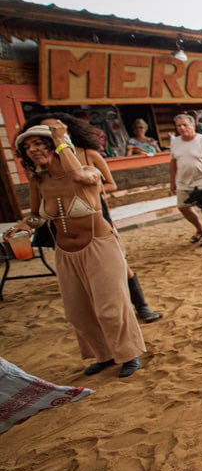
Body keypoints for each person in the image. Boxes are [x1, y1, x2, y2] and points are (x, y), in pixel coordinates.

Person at [7, 122, 145, 377]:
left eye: (39, 144)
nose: (32, 149)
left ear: (56, 147)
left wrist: (61, 139)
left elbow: (79, 176)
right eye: (27, 147)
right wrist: (24, 225)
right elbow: (38, 216)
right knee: (77, 311)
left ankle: (129, 353)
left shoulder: (88, 172)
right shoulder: (39, 180)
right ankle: (104, 354)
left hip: (99, 245)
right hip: (65, 252)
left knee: (110, 308)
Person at [23, 113, 161, 323]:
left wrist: (87, 191)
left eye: (56, 128)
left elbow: (109, 184)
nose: (53, 133)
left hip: (93, 213)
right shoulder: (43, 165)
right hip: (62, 217)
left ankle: (141, 306)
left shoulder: (86, 155)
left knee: (121, 265)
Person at [169, 113, 202, 245]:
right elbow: (173, 163)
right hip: (183, 182)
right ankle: (200, 229)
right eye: (179, 125)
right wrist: (172, 181)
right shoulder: (175, 142)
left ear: (193, 125)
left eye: (185, 125)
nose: (182, 128)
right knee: (182, 206)